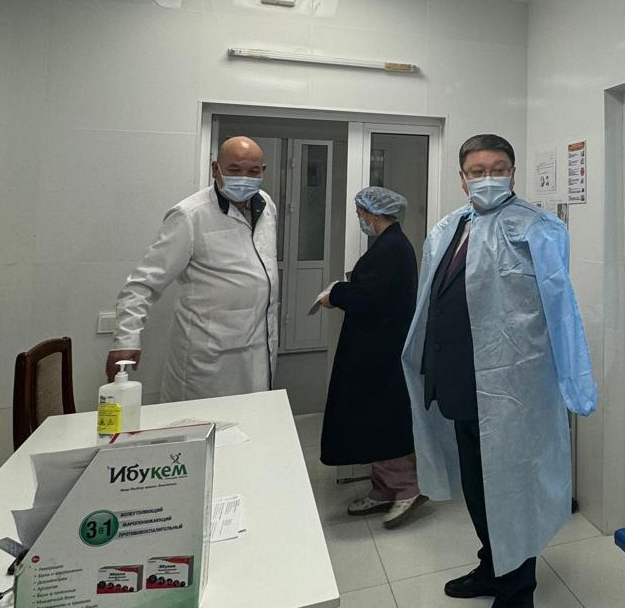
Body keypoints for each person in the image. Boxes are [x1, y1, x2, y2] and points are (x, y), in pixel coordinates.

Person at [402, 133, 597, 608]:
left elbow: (562, 310)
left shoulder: (536, 227)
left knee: (510, 492)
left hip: (510, 392)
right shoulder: (450, 228)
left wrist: (576, 383)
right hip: (461, 385)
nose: (487, 177)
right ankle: (493, 566)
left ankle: (516, 603)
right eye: (477, 170)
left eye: (498, 168)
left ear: (512, 172)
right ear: (461, 177)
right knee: (478, 487)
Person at [107, 137, 277, 402]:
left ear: (263, 171)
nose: (244, 178)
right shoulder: (189, 214)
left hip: (257, 349)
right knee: (201, 422)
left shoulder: (266, 206)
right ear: (215, 169)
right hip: (207, 357)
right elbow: (143, 283)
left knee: (254, 419)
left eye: (253, 171)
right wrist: (126, 340)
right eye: (234, 169)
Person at [318, 186, 424, 528]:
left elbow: (370, 297)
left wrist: (336, 294)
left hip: (380, 351)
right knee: (368, 419)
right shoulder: (391, 245)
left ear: (374, 213)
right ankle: (382, 489)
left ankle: (406, 488)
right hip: (373, 347)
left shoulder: (393, 247)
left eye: (361, 213)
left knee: (379, 419)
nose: (360, 219)